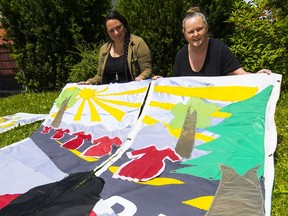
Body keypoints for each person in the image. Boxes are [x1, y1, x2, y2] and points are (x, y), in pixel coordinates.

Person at [172, 7, 271, 77]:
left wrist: (257, 77)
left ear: (206, 28)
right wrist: (159, 83)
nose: (196, 34)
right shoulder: (181, 55)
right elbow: (174, 86)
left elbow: (241, 75)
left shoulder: (219, 49)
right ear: (185, 35)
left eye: (199, 29)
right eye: (191, 32)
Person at [78, 10, 152, 85]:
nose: (116, 33)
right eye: (111, 31)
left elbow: (147, 69)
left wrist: (141, 77)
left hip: (133, 92)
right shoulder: (104, 49)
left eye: (118, 27)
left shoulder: (137, 43)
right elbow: (100, 76)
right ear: (108, 33)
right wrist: (88, 82)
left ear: (125, 26)